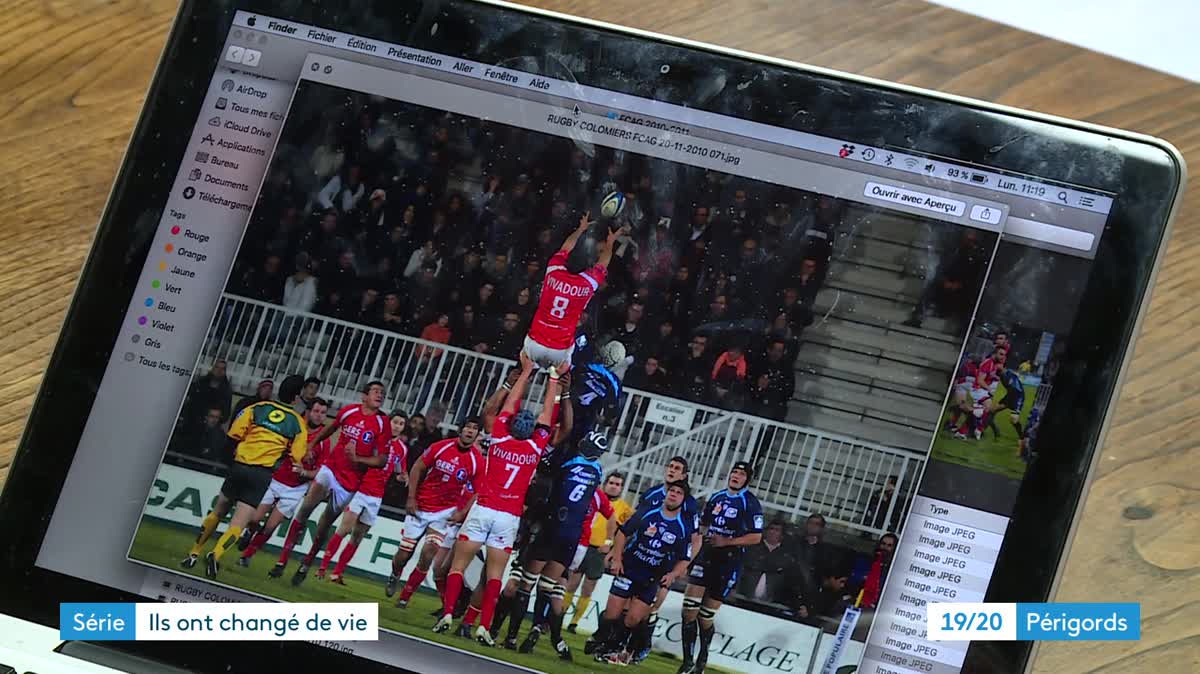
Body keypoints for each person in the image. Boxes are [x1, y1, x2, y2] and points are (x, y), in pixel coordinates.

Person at [434, 351, 563, 645]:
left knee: (458, 567)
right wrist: (553, 379)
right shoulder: (534, 448)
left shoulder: (499, 438)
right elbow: (547, 413)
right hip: (508, 515)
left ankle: (448, 612)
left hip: (483, 508)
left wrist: (527, 370)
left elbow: (509, 404)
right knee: (494, 576)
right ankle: (483, 625)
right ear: (532, 430)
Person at [180, 375, 307, 579]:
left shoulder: (256, 408)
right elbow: (297, 457)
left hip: (239, 466)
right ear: (297, 397)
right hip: (261, 474)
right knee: (238, 524)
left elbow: (233, 435)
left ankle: (194, 553)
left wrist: (232, 462)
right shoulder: (298, 423)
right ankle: (216, 554)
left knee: (218, 511)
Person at [503, 430, 615, 660]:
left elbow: (546, 483)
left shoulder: (568, 462)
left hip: (553, 526)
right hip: (573, 536)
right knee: (549, 587)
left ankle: (511, 637)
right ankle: (538, 630)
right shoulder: (597, 471)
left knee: (527, 584)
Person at [269, 381, 391, 581]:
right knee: (306, 507)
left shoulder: (382, 423)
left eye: (382, 393)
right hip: (331, 469)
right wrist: (312, 444)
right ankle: (282, 560)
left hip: (350, 482)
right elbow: (331, 428)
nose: (380, 395)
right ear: (364, 395)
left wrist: (358, 459)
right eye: (376, 391)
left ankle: (307, 562)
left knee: (325, 525)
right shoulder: (349, 411)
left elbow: (382, 460)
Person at [589, 456, 701, 663]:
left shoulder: (689, 510)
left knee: (640, 614)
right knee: (616, 612)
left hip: (658, 571)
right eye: (670, 466)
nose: (672, 471)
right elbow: (627, 529)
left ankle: (635, 647)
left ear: (684, 476)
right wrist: (617, 554)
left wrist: (676, 572)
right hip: (632, 563)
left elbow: (693, 542)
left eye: (677, 469)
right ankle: (607, 642)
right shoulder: (651, 496)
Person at [678, 462, 764, 674]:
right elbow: (703, 526)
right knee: (688, 610)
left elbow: (756, 537)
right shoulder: (716, 497)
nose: (735, 475)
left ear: (747, 480)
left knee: (705, 616)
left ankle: (702, 657)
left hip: (728, 561)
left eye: (741, 474)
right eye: (734, 471)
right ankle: (687, 662)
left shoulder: (750, 503)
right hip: (706, 557)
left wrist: (727, 541)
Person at [387, 418, 483, 601]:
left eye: (474, 429)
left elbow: (477, 491)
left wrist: (462, 513)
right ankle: (395, 573)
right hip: (421, 505)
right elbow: (417, 468)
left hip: (444, 513)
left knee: (428, 552)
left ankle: (405, 597)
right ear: (460, 429)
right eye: (467, 427)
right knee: (403, 554)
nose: (470, 431)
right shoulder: (441, 446)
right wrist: (411, 498)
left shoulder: (476, 460)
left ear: (477, 434)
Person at [315, 412, 409, 583]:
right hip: (360, 490)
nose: (397, 426)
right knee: (343, 529)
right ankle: (322, 568)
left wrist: (403, 476)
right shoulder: (375, 440)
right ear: (388, 422)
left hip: (376, 497)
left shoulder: (402, 449)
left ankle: (337, 573)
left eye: (401, 424)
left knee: (357, 537)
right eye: (395, 422)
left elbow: (399, 471)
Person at [236, 398, 331, 562]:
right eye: (316, 411)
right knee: (254, 519)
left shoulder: (324, 440)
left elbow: (321, 472)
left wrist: (305, 472)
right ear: (307, 411)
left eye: (323, 413)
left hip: (295, 489)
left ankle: (247, 556)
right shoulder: (293, 424)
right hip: (275, 479)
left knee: (270, 528)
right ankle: (249, 531)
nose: (319, 416)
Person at [525, 212, 620, 369]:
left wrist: (580, 229)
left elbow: (565, 248)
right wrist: (610, 242)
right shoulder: (586, 283)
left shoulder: (554, 269)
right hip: (560, 347)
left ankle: (511, 386)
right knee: (560, 378)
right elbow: (603, 263)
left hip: (537, 338)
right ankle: (555, 388)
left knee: (521, 372)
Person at [565, 473, 635, 634]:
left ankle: (574, 623)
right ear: (605, 484)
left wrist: (611, 548)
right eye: (611, 483)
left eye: (617, 484)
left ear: (621, 488)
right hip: (583, 545)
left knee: (588, 588)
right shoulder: (593, 499)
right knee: (571, 584)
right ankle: (559, 616)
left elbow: (627, 532)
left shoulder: (624, 509)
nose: (613, 486)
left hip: (599, 551)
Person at [736, 519, 794, 602]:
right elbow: (741, 569)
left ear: (782, 535)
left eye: (777, 530)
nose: (772, 532)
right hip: (744, 597)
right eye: (771, 529)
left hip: (770, 603)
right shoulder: (752, 548)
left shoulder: (786, 555)